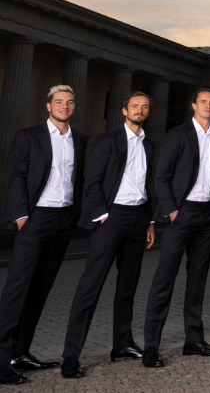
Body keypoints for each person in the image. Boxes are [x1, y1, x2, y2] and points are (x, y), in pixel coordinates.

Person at [61, 92, 154, 378]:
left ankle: (122, 345)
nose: (140, 111)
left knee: (128, 288)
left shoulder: (148, 143)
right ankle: (71, 356)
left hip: (138, 218)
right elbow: (92, 181)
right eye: (135, 106)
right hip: (112, 218)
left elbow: (147, 183)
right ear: (124, 110)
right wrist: (103, 215)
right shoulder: (108, 140)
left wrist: (149, 220)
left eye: (145, 107)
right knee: (91, 287)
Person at [0, 85, 87, 385]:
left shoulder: (80, 139)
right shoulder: (29, 136)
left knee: (41, 288)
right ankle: (0, 359)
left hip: (63, 221)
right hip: (35, 218)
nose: (65, 106)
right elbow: (16, 176)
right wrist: (22, 216)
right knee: (17, 289)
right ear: (48, 106)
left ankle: (20, 352)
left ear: (75, 107)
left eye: (70, 102)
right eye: (59, 102)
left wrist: (76, 217)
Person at [142, 88, 210, 368]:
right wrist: (173, 212)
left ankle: (194, 340)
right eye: (203, 101)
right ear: (193, 105)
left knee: (197, 280)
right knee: (165, 279)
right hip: (183, 214)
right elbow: (162, 178)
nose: (208, 106)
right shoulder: (177, 135)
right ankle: (151, 346)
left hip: (208, 214)